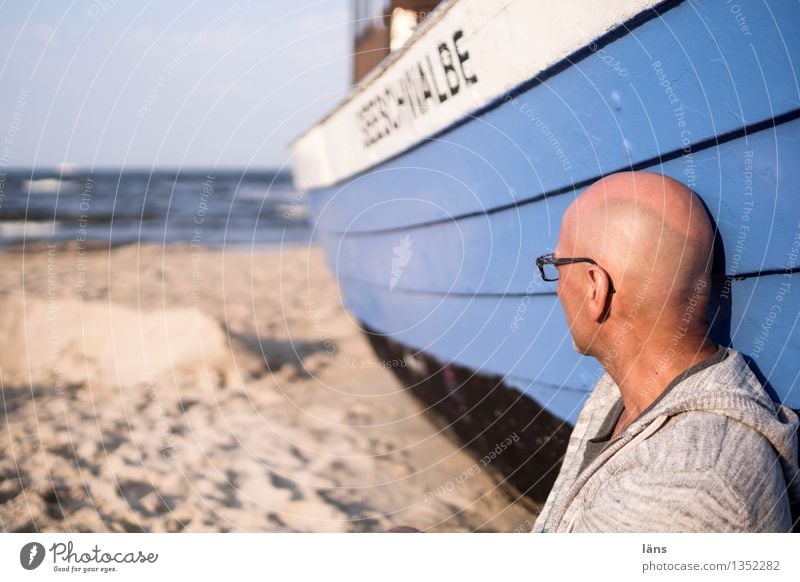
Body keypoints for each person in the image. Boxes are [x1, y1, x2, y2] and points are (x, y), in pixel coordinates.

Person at [531, 171, 800, 532]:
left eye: (557, 266)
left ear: (596, 286)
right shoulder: (618, 394)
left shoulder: (686, 484)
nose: (558, 289)